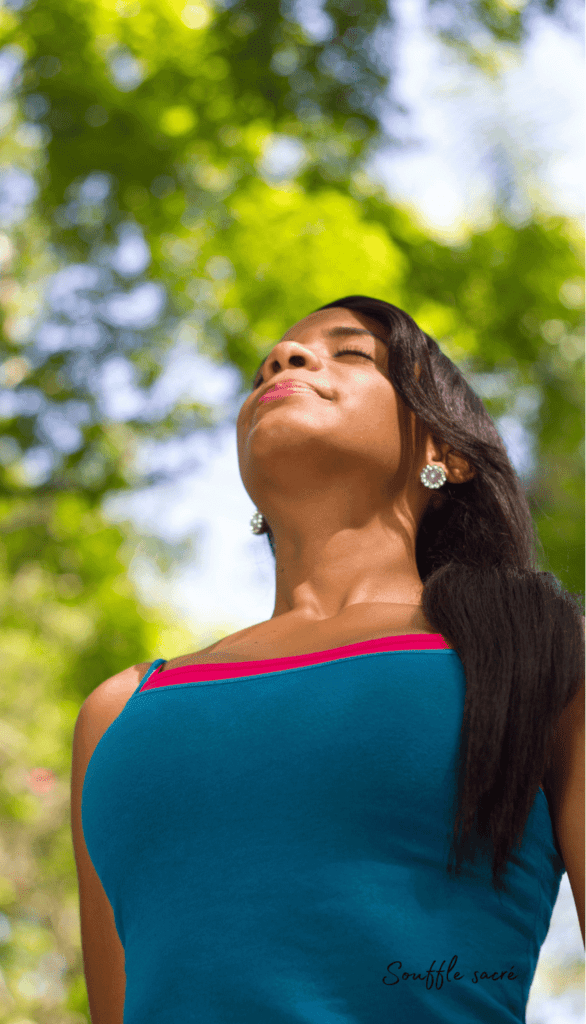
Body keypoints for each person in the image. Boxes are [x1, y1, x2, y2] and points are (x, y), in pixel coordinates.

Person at [71, 295, 584, 1024]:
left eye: (350, 353)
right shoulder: (119, 712)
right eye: (267, 365)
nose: (284, 359)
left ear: (447, 451)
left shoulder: (546, 654)